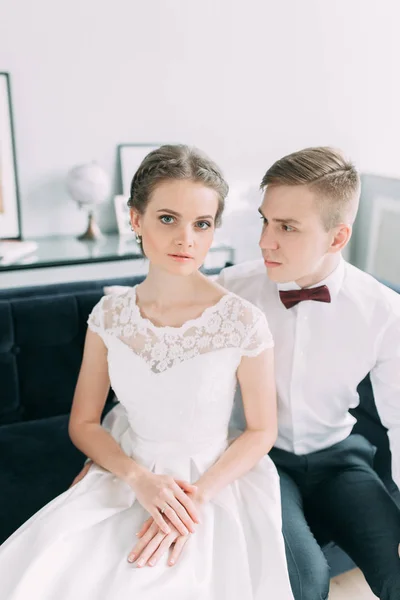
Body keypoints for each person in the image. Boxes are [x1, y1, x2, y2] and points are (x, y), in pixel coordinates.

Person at [80, 146, 400, 600]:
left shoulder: (385, 311)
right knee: (300, 582)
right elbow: (152, 357)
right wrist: (104, 455)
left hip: (339, 457)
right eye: (265, 220)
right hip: (254, 460)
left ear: (337, 237)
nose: (265, 240)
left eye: (287, 228)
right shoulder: (231, 290)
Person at [0, 144, 294, 600]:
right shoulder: (110, 316)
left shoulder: (242, 321)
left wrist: (194, 499)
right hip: (125, 473)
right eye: (167, 218)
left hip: (212, 483)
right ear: (135, 220)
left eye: (201, 224)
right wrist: (137, 479)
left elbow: (260, 430)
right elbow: (83, 422)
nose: (186, 240)